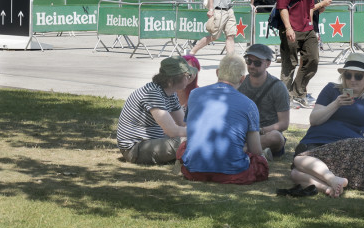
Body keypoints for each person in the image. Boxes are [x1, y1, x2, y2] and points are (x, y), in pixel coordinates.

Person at [179, 55, 269, 184]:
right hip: (233, 172)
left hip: (194, 171)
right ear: (242, 79)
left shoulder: (194, 94)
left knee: (184, 146)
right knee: (260, 162)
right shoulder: (249, 105)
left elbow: (190, 130)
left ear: (217, 72)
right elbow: (256, 150)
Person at [295, 52, 364, 154]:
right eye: (348, 75)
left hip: (350, 146)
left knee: (299, 169)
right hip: (318, 140)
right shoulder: (331, 89)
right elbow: (314, 120)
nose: (352, 80)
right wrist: (336, 104)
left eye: (358, 76)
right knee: (305, 163)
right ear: (343, 76)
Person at [116, 56, 197, 165]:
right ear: (174, 79)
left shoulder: (170, 92)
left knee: (190, 139)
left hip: (153, 141)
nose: (190, 79)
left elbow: (183, 122)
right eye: (188, 75)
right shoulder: (152, 93)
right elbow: (172, 131)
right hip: (135, 149)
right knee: (187, 141)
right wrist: (201, 132)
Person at [277, 0, 318, 108]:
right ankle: (284, 98)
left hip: (307, 29)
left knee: (313, 59)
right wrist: (288, 28)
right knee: (290, 64)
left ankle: (299, 92)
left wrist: (311, 25)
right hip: (291, 29)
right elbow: (282, 7)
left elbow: (310, 6)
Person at [237, 44, 291, 157]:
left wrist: (260, 131)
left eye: (257, 63)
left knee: (276, 137)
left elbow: (284, 123)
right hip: (243, 133)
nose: (251, 65)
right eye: (248, 61)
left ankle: (241, 150)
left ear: (267, 64)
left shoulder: (278, 87)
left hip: (266, 133)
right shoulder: (239, 83)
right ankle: (258, 152)